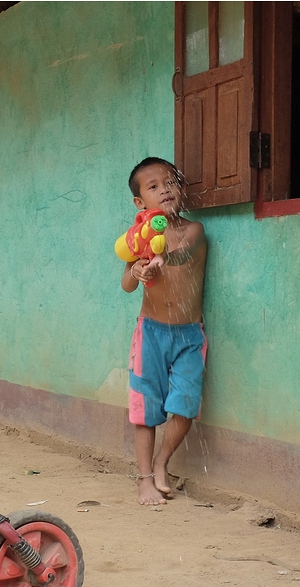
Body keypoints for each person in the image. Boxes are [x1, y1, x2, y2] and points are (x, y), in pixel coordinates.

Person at [120, 157, 208, 506]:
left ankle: (161, 463)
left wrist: (161, 260)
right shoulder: (139, 238)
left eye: (169, 183)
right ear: (140, 202)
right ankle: (144, 479)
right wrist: (137, 270)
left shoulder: (194, 231)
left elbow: (182, 256)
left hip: (189, 336)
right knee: (146, 408)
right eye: (153, 187)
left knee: (185, 406)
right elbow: (127, 284)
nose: (164, 190)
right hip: (151, 334)